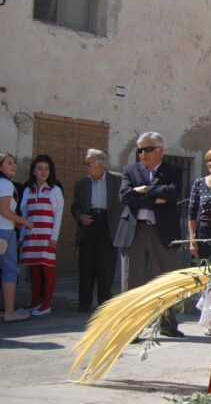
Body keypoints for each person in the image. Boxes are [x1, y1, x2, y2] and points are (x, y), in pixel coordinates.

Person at [114, 132, 184, 337]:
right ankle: (130, 330)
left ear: (160, 150)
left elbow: (172, 193)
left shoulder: (172, 170)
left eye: (146, 149)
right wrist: (155, 196)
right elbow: (125, 196)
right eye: (139, 149)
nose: (142, 153)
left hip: (161, 231)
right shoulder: (130, 170)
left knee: (165, 279)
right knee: (131, 282)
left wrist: (144, 190)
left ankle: (167, 325)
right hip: (134, 231)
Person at [71, 149, 122, 313]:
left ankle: (104, 303)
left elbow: (124, 204)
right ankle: (84, 303)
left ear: (101, 165)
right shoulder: (81, 184)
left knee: (106, 266)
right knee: (86, 266)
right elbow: (75, 206)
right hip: (89, 225)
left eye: (88, 164)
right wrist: (80, 217)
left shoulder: (117, 180)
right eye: (85, 164)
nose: (85, 167)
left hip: (109, 225)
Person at [17, 154, 65, 316]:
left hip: (47, 237)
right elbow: (24, 214)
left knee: (47, 269)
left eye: (46, 169)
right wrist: (23, 236)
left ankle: (46, 305)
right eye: (40, 168)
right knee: (34, 269)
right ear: (34, 171)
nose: (43, 172)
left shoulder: (55, 190)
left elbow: (58, 215)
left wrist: (54, 237)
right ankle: (34, 302)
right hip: (31, 237)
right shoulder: (28, 190)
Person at [0, 153, 33, 322]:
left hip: (6, 228)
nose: (13, 166)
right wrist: (24, 221)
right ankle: (10, 312)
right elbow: (4, 211)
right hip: (5, 232)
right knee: (10, 271)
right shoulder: (5, 184)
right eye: (9, 163)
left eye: (14, 163)